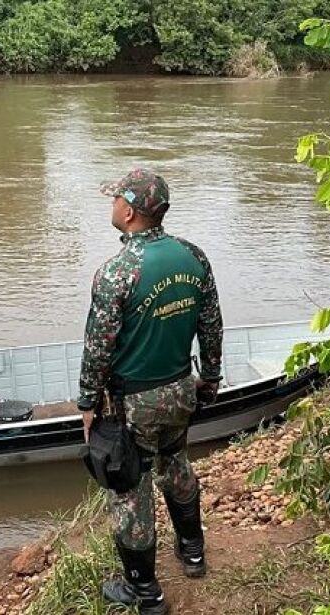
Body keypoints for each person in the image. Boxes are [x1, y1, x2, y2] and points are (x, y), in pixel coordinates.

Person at [78, 168, 224, 615]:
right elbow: (211, 326)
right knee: (176, 463)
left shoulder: (117, 272)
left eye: (114, 201)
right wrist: (211, 378)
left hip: (134, 404)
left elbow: (98, 349)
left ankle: (145, 592)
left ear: (129, 210)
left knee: (130, 491)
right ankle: (192, 550)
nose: (111, 207)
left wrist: (86, 404)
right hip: (182, 389)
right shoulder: (193, 257)